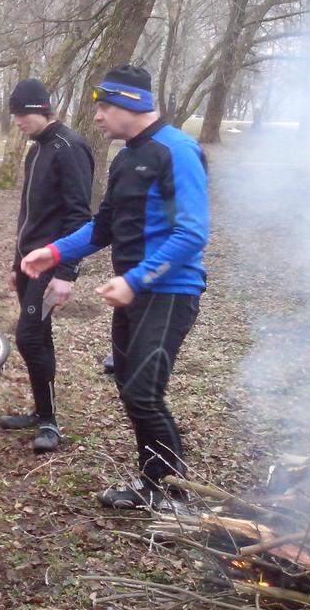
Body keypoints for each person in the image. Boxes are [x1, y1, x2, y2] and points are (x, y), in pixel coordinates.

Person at [21, 65, 208, 509]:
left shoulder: (177, 151)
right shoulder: (125, 158)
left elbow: (192, 233)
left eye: (104, 106)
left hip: (170, 291)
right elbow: (102, 226)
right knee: (129, 385)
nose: (98, 116)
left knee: (142, 391)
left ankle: (171, 494)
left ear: (131, 104)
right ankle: (154, 483)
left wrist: (134, 279)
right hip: (134, 293)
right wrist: (55, 252)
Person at [0, 79, 94, 453]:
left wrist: (66, 273)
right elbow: (27, 214)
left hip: (52, 264)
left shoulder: (70, 148)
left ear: (41, 109)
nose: (17, 121)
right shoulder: (36, 150)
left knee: (29, 336)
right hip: (29, 264)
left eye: (22, 113)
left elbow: (79, 216)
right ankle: (41, 412)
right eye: (14, 114)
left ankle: (50, 421)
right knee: (40, 335)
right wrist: (15, 262)